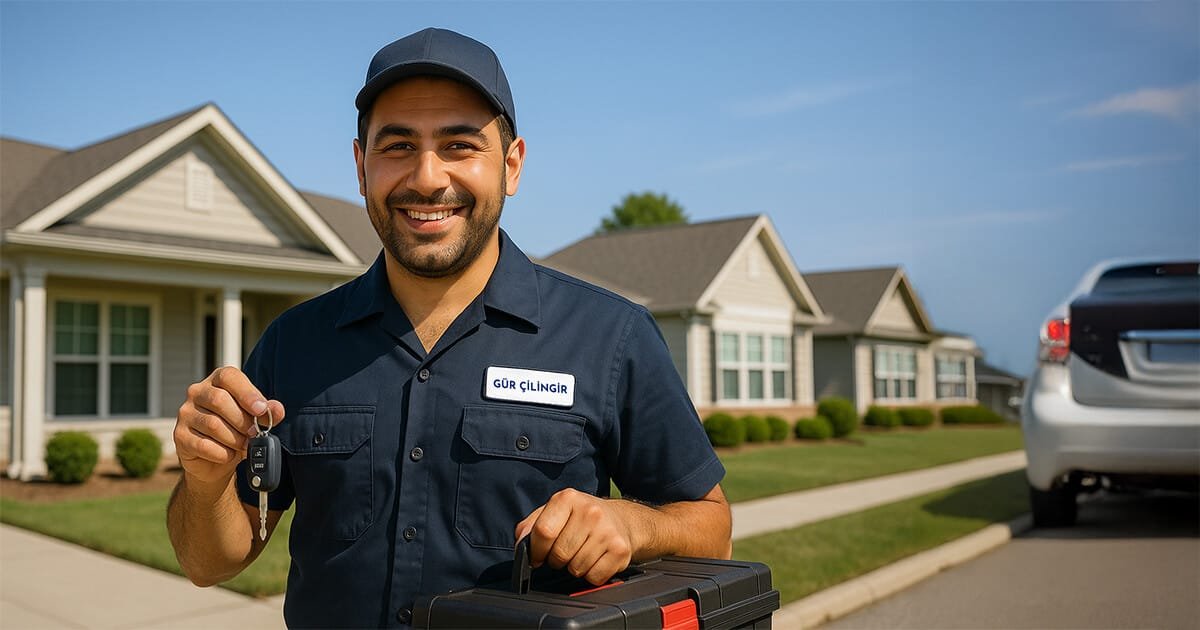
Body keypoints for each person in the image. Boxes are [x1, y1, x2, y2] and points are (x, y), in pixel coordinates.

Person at [166, 27, 731, 628]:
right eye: (398, 146)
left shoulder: (612, 337)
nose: (428, 177)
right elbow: (212, 562)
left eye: (460, 146)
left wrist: (634, 525)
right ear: (361, 167)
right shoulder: (293, 343)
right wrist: (206, 480)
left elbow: (711, 528)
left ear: (511, 166)